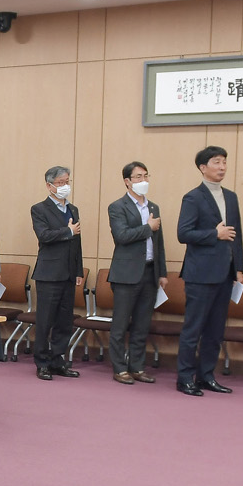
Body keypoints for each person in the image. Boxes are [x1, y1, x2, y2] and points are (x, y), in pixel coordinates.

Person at [176, 145, 243, 396]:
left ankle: (206, 376)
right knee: (193, 329)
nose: (222, 167)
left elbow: (236, 235)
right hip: (200, 274)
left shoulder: (231, 197)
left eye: (224, 162)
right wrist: (214, 234)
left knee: (215, 330)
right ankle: (185, 378)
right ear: (203, 167)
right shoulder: (193, 197)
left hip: (225, 273)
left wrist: (239, 268)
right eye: (216, 162)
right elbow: (183, 233)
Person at [106, 160, 168, 384]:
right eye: (138, 177)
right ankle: (119, 368)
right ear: (127, 181)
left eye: (146, 176)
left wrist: (162, 273)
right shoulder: (117, 207)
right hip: (126, 274)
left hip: (149, 273)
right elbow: (121, 236)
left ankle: (137, 367)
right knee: (120, 324)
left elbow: (159, 242)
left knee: (142, 325)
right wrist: (147, 228)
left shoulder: (153, 207)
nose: (144, 180)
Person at [30, 165, 84, 381]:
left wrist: (78, 270)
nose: (65, 186)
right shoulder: (39, 209)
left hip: (69, 273)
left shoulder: (73, 209)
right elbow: (44, 236)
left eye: (67, 182)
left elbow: (77, 242)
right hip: (49, 273)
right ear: (49, 185)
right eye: (60, 183)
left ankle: (58, 361)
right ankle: (42, 362)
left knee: (64, 321)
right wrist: (67, 231)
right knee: (45, 320)